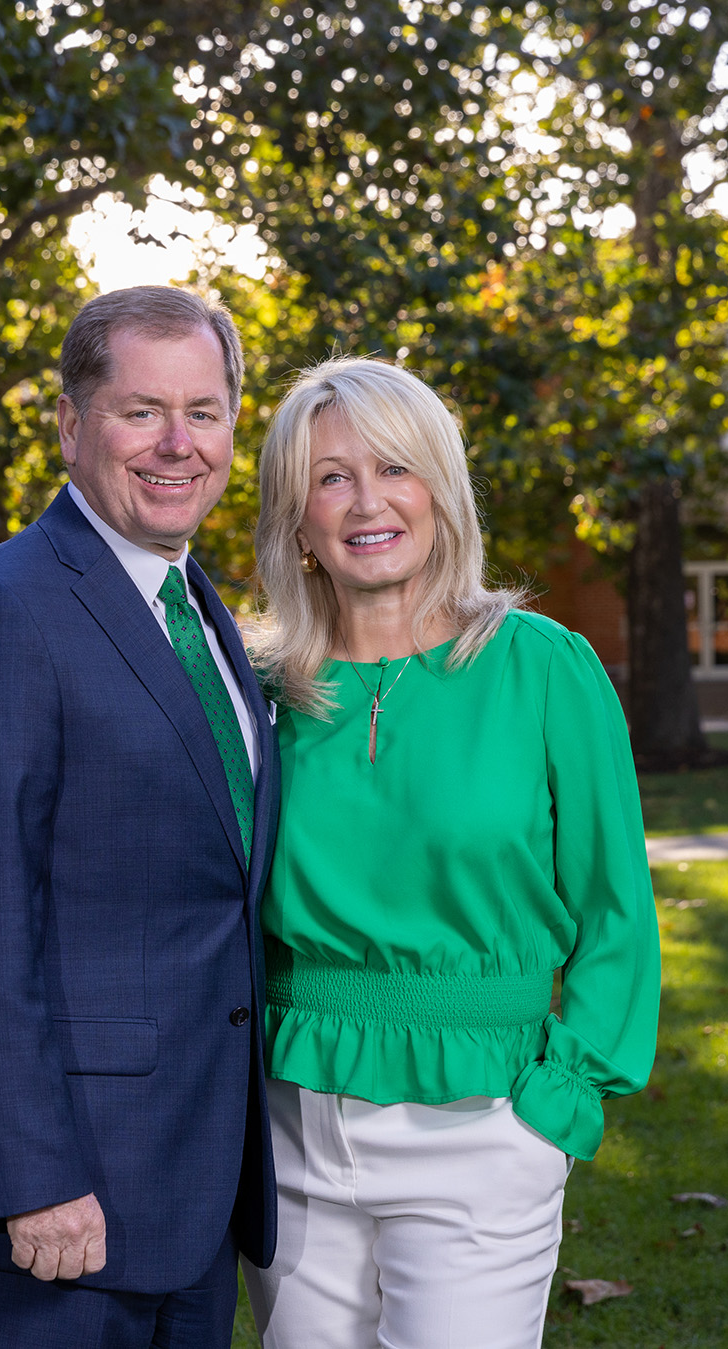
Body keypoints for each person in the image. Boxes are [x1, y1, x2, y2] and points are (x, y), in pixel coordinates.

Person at [241, 355, 660, 1349]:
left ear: (442, 490)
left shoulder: (544, 667)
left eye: (396, 467)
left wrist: (553, 1112)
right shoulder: (254, 688)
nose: (367, 500)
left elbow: (615, 912)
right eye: (331, 476)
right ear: (296, 517)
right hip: (287, 1124)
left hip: (483, 1128)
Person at [0, 286, 279, 1349]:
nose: (177, 443)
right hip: (56, 1211)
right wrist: (33, 1175)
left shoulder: (202, 611)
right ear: (70, 424)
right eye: (140, 409)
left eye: (204, 412)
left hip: (192, 1196)